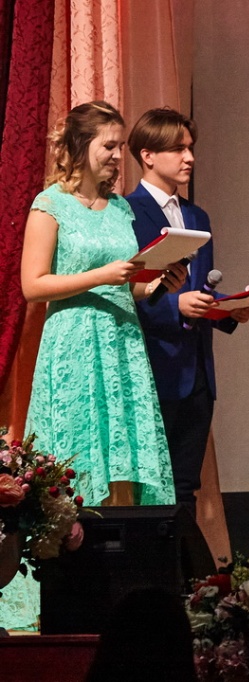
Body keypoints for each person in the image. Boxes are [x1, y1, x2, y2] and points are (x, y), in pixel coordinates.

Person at [6, 101, 184, 630]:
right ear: (80, 147)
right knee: (76, 457)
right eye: (108, 146)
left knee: (122, 457)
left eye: (118, 146)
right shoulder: (50, 205)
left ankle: (123, 587)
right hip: (73, 344)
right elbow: (33, 285)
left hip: (121, 343)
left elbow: (131, 283)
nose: (116, 156)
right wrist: (102, 275)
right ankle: (67, 582)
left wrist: (157, 284)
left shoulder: (121, 209)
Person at [126, 107, 249, 518]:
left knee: (186, 486)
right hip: (154, 365)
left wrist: (227, 311)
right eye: (178, 149)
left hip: (198, 370)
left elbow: (200, 291)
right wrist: (174, 305)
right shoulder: (126, 213)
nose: (189, 158)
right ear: (148, 155)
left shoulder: (197, 216)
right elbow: (122, 291)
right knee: (153, 487)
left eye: (190, 148)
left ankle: (181, 562)